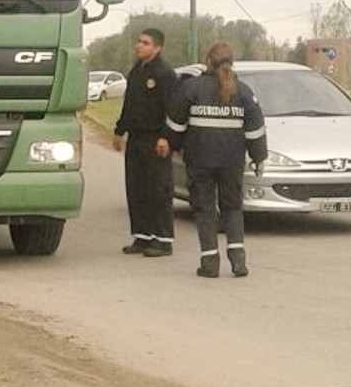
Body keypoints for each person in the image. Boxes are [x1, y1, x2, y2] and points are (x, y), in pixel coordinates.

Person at [165, 42, 267, 278]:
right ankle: (238, 262)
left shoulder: (191, 89)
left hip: (199, 161)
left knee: (205, 210)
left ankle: (210, 263)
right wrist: (258, 156)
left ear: (208, 62)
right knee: (232, 208)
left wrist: (173, 146)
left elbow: (175, 124)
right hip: (232, 162)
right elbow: (256, 130)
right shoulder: (243, 92)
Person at [112, 28, 177, 257]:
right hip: (136, 139)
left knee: (158, 189)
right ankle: (142, 235)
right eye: (139, 42)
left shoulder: (164, 74)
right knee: (137, 188)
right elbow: (129, 105)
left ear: (157, 47)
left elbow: (171, 109)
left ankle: (163, 239)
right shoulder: (135, 72)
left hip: (156, 139)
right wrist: (119, 131)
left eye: (145, 43)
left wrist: (166, 137)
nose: (139, 46)